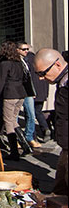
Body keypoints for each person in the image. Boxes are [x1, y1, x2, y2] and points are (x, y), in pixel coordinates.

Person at [33, 48, 68, 196]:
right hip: (65, 147)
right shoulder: (62, 82)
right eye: (38, 74)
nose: (41, 78)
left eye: (43, 73)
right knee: (60, 188)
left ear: (57, 65)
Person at [0, 41, 31, 161]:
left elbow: (0, 82)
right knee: (13, 120)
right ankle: (25, 144)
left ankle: (14, 151)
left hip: (10, 94)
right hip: (21, 93)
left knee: (8, 121)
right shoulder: (19, 62)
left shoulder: (5, 64)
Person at [17, 42, 41, 149]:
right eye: (24, 49)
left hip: (28, 92)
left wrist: (32, 92)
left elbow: (29, 78)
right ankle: (17, 138)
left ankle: (29, 137)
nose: (26, 51)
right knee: (15, 117)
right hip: (17, 92)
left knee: (31, 114)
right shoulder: (15, 61)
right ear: (17, 50)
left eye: (27, 49)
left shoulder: (27, 61)